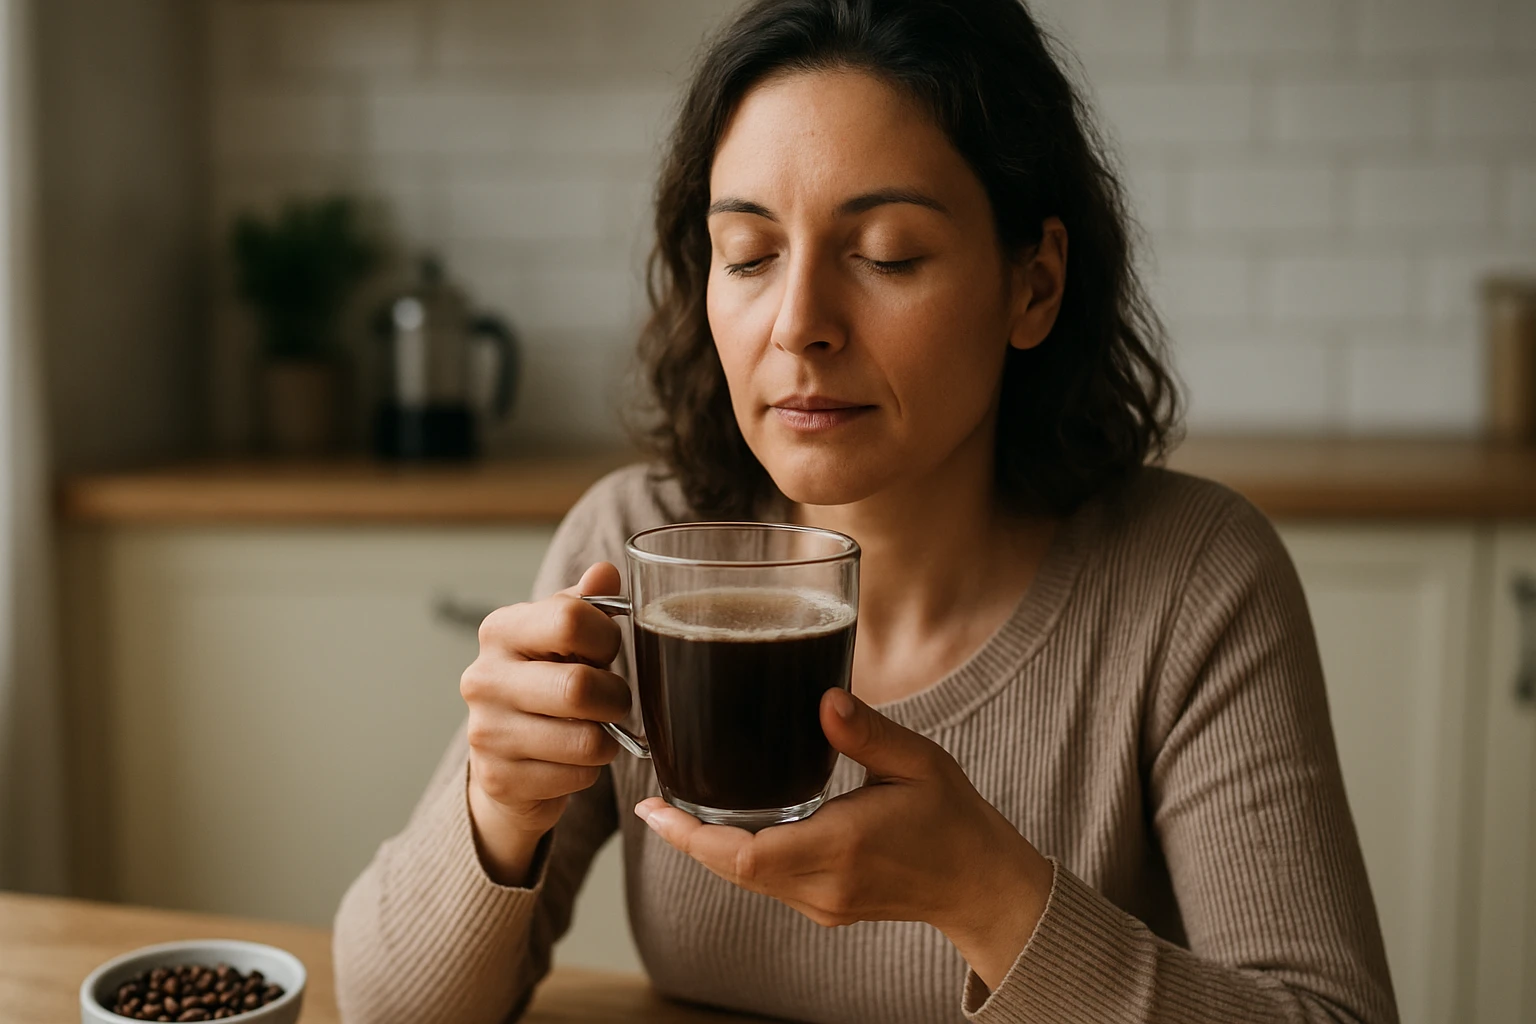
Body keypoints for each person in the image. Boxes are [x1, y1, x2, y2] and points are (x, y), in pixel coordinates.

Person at [333, 1, 1398, 1021]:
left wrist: (992, 896)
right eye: (747, 256)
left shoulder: (1191, 582)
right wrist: (498, 809)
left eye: (886, 253)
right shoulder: (630, 551)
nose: (798, 324)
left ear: (1034, 285)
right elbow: (386, 1010)